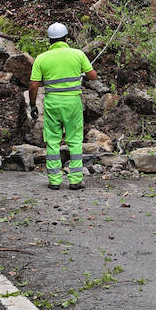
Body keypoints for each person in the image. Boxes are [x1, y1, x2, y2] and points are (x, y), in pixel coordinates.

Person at [28, 22, 98, 191]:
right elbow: (93, 76)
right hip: (72, 103)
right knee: (74, 140)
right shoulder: (78, 54)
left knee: (52, 141)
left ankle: (54, 180)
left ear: (49, 40)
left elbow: (33, 86)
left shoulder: (42, 58)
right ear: (67, 38)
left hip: (52, 104)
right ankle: (75, 179)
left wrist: (32, 105)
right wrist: (81, 74)